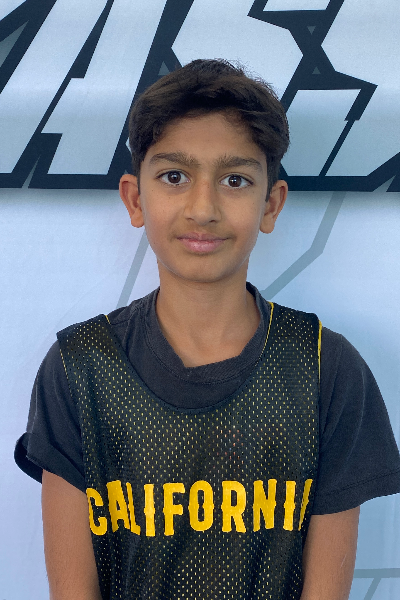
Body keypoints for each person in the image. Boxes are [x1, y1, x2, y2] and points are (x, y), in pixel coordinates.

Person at [15, 59, 400, 600]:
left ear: (271, 204)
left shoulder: (325, 368)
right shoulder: (80, 367)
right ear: (135, 198)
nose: (203, 208)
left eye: (234, 180)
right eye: (175, 176)